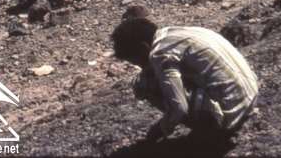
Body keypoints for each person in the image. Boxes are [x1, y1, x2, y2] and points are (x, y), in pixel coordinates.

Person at [111, 16, 259, 147]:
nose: (140, 66)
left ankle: (208, 131)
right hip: (250, 96)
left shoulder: (159, 53)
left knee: (144, 83)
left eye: (138, 61)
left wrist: (161, 128)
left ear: (144, 47)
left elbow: (180, 108)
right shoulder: (179, 32)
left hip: (231, 112)